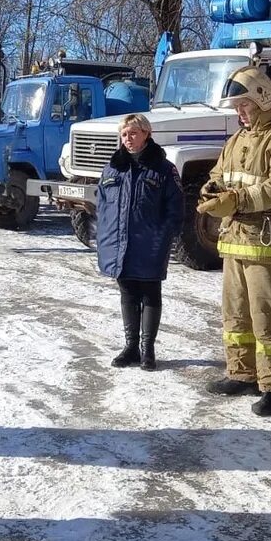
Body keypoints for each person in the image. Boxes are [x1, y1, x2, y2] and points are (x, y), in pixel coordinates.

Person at [199, 66, 271, 416]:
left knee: (269, 317)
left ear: (263, 100)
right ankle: (242, 373)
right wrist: (212, 188)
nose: (239, 113)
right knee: (236, 315)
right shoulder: (236, 140)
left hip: (267, 244)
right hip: (235, 241)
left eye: (244, 106)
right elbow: (220, 173)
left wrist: (235, 201)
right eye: (237, 108)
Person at [95, 113, 184, 371]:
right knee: (128, 293)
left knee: (150, 293)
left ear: (147, 134)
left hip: (150, 243)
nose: (128, 139)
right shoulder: (113, 168)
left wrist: (165, 235)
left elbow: (176, 208)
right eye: (124, 134)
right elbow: (102, 207)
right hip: (118, 244)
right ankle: (130, 347)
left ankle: (148, 350)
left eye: (133, 133)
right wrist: (104, 239)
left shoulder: (164, 169)